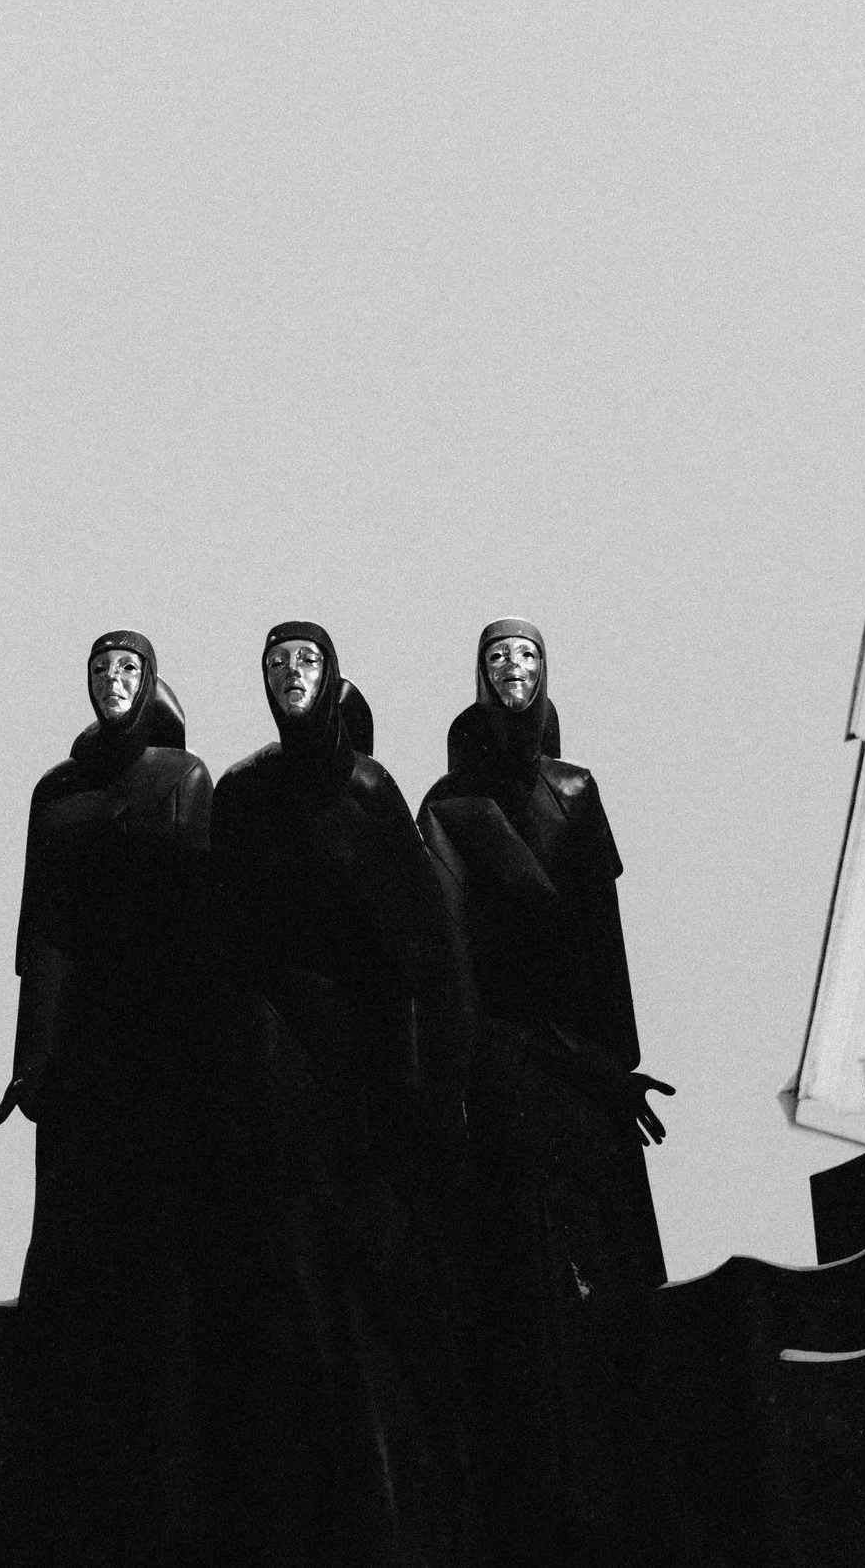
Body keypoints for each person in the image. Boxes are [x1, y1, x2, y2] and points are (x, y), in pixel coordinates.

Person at [203, 620, 469, 1567]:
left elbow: (418, 935)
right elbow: (217, 927)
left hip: (357, 1048)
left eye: (305, 660)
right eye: (274, 663)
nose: (289, 676)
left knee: (367, 1252)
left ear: (333, 675)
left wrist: (417, 1063)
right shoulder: (239, 789)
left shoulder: (368, 790)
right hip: (268, 1038)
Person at [417, 617, 672, 1564]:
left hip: (589, 1065)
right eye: (495, 660)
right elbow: (447, 955)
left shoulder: (578, 790)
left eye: (524, 657)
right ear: (478, 681)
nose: (511, 671)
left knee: (607, 1251)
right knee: (527, 1255)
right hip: (506, 1053)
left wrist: (621, 1061)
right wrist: (460, 1066)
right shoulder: (449, 805)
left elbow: (606, 938)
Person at [0, 629, 213, 1566]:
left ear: (150, 682)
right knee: (68, 1243)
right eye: (100, 671)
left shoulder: (185, 778)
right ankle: (57, 1462)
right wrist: (30, 1057)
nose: (113, 682)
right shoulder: (57, 792)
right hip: (81, 1053)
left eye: (128, 669)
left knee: (156, 1256)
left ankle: (161, 1475)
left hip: (158, 1042)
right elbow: (41, 931)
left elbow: (208, 924)